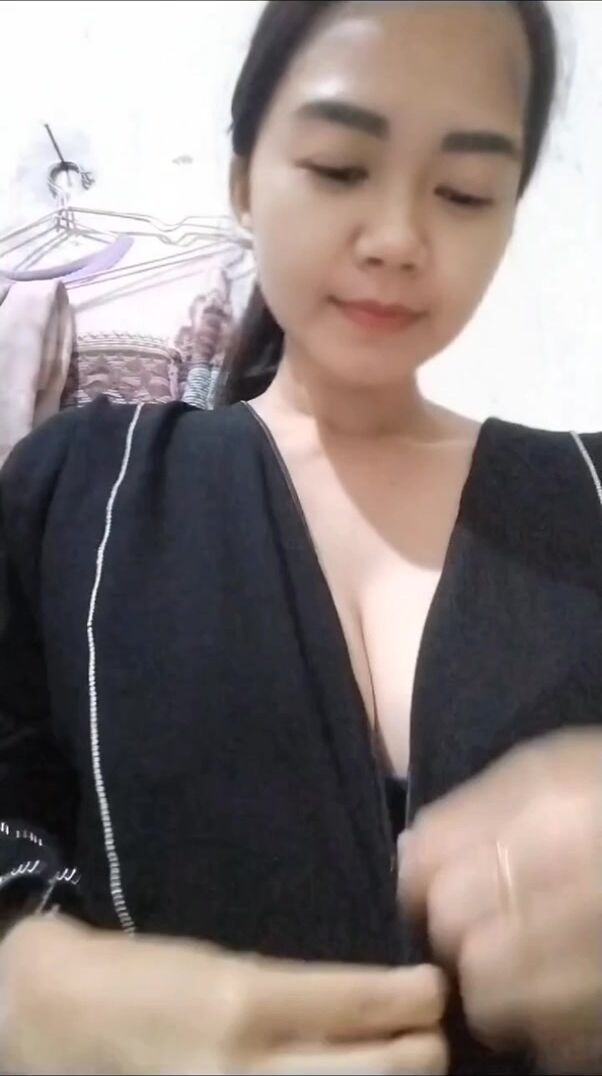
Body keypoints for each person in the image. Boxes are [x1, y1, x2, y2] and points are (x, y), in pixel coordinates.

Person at [0, 1, 600, 1073]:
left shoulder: (588, 496)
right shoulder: (76, 491)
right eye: (337, 167)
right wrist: (21, 978)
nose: (397, 238)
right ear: (244, 178)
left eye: (464, 190)